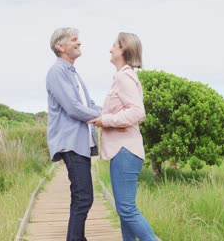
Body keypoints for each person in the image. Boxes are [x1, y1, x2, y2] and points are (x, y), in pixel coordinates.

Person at [88, 32, 157, 241]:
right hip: (125, 151)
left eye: (114, 46)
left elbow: (138, 112)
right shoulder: (123, 76)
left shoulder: (123, 77)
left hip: (125, 151)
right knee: (124, 210)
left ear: (123, 50)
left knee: (127, 209)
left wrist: (106, 120)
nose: (110, 49)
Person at [46, 27, 101, 241]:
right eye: (74, 39)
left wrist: (112, 113)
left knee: (81, 197)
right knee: (84, 197)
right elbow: (73, 107)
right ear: (61, 46)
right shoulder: (57, 72)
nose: (79, 42)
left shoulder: (72, 72)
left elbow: (89, 104)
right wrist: (102, 119)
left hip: (80, 143)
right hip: (71, 142)